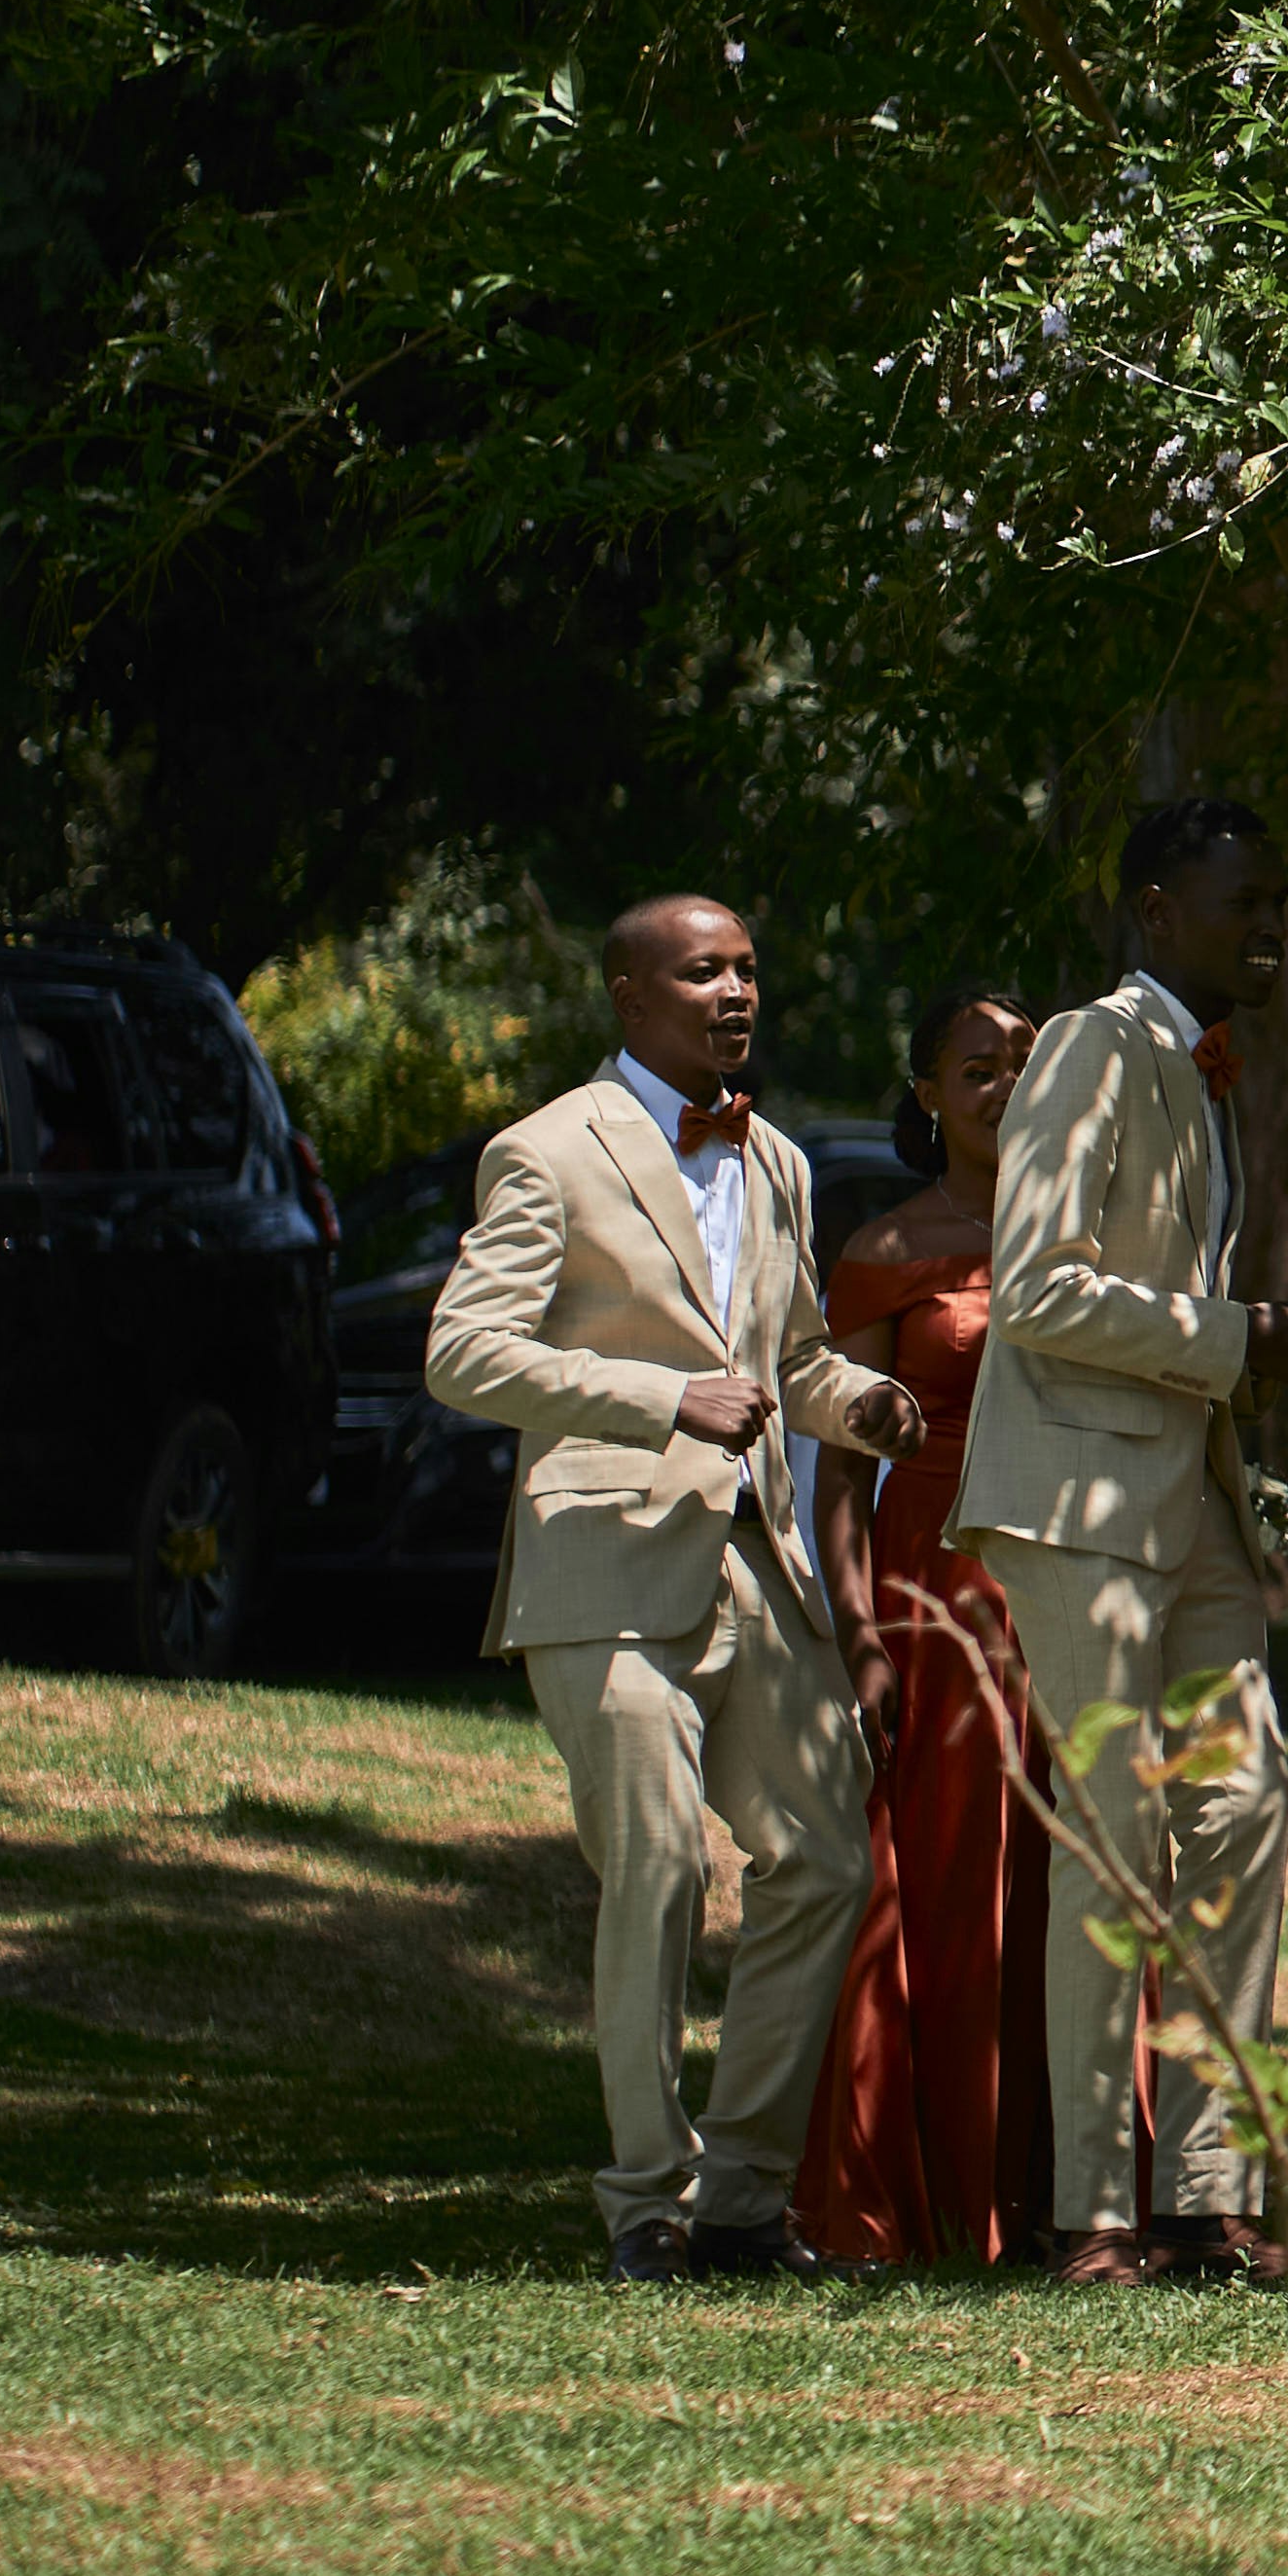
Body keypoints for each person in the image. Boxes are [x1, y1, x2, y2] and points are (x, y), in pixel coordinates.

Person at [424, 894, 924, 2281]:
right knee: (655, 1869)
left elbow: (794, 1356)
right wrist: (660, 1398)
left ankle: (743, 2201)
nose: (735, 992)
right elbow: (463, 1354)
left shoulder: (774, 1161)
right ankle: (646, 2199)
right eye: (704, 971)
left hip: (756, 1565)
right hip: (602, 1556)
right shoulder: (546, 1150)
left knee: (825, 1859)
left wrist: (863, 1404)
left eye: (750, 968)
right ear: (629, 991)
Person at [958, 790, 1288, 2285]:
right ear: (1156, 910)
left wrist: (1244, 1361)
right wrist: (1234, 1333)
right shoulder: (1086, 1048)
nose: (1272, 927)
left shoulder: (1204, 1073)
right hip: (1080, 1501)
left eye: (1281, 901)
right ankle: (1092, 2212)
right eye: (1245, 901)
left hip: (1190, 1508)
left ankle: (1202, 2196)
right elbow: (1038, 1287)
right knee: (1116, 1843)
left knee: (1244, 1814)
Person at [795, 986, 1054, 2264]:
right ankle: (941, 2192)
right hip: (933, 1581)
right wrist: (856, 1637)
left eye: (1023, 1061)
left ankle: (1071, 2191)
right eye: (974, 1067)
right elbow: (837, 1476)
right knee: (952, 1880)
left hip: (1072, 1576)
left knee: (1069, 1883)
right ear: (927, 1096)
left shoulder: (1099, 1242)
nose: (1002, 1084)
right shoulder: (886, 1248)